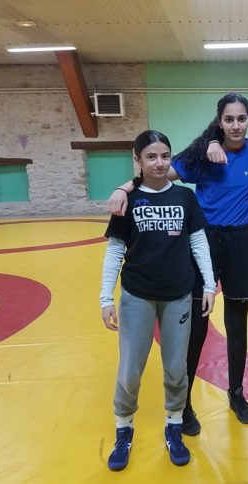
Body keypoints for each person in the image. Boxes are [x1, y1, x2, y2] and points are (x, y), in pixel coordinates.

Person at [107, 93, 248, 434]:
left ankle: (236, 392)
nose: (235, 125)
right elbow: (157, 173)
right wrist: (124, 187)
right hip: (203, 241)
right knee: (196, 326)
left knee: (237, 322)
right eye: (229, 119)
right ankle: (185, 402)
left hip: (240, 241)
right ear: (219, 122)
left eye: (241, 119)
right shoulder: (201, 155)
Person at [100, 130, 215, 470]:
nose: (160, 163)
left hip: (179, 296)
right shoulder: (128, 199)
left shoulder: (184, 197)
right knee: (130, 371)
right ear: (138, 160)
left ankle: (174, 426)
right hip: (137, 296)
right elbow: (115, 251)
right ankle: (124, 429)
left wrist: (209, 285)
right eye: (151, 157)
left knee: (176, 369)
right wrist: (106, 297)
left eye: (165, 156)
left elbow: (198, 242)